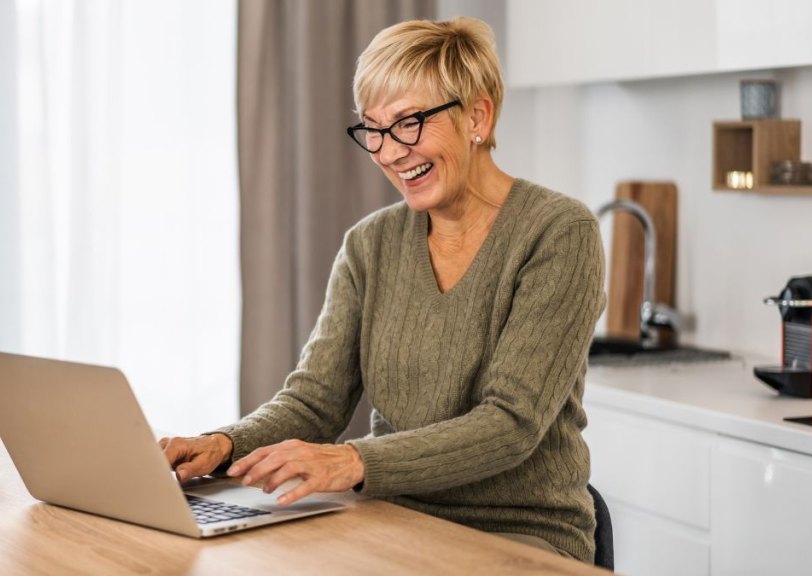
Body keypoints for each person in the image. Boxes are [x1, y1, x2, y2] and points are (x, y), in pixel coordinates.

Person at [160, 16, 604, 563]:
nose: (389, 152)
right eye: (373, 129)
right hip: (387, 521)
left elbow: (511, 424)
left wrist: (352, 462)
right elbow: (314, 401)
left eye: (409, 123)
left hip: (517, 535)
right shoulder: (369, 245)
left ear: (478, 116)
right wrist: (222, 445)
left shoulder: (558, 232)